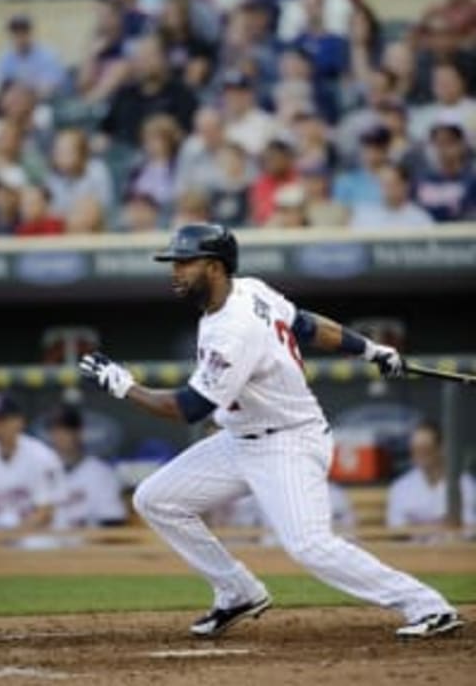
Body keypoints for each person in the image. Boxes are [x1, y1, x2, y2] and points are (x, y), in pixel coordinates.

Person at [80, 222, 462, 640]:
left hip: (288, 441)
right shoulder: (251, 290)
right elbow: (305, 325)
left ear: (214, 267)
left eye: (185, 263)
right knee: (155, 500)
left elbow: (189, 408)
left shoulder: (232, 329)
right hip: (240, 439)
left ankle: (429, 607)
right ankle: (237, 591)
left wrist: (124, 386)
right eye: (175, 263)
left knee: (309, 545)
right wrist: (369, 348)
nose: (175, 271)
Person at [47, 405, 126, 529]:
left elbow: (113, 520)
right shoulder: (41, 471)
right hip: (44, 544)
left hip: (88, 544)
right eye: (55, 430)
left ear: (78, 432)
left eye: (66, 430)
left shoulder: (101, 473)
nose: (59, 436)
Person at [387, 421, 476, 529]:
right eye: (415, 449)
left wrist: (418, 526)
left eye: (426, 449)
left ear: (441, 449)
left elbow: (470, 528)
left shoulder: (464, 483)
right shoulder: (401, 487)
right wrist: (440, 525)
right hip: (412, 546)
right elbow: (396, 528)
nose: (419, 455)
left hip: (453, 545)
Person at [0, 393, 65, 530]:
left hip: (36, 535)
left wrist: (11, 535)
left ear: (19, 421)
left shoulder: (42, 456)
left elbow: (46, 512)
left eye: (2, 420)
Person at [0, 14, 65, 98]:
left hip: (44, 101)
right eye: (15, 32)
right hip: (14, 103)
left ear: (30, 32)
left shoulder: (48, 55)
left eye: (23, 31)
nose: (19, 36)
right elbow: (0, 85)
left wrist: (25, 91)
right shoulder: (6, 57)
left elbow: (50, 87)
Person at [351, 163, 434, 230]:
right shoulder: (364, 215)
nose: (388, 189)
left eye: (392, 183)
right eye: (383, 184)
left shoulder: (420, 218)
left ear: (405, 185)